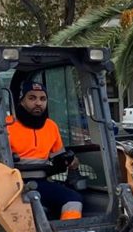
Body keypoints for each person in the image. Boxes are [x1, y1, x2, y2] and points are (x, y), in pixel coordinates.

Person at [6, 79, 82, 220]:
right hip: (14, 186)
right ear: (22, 101)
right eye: (32, 98)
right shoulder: (6, 125)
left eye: (43, 99)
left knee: (73, 200)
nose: (38, 103)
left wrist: (70, 160)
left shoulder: (50, 126)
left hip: (41, 182)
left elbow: (58, 157)